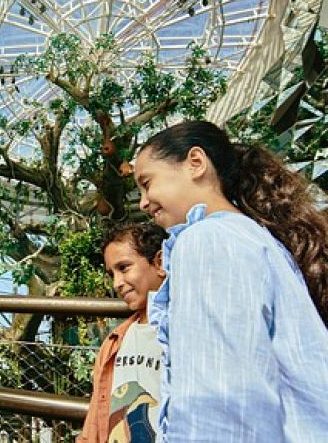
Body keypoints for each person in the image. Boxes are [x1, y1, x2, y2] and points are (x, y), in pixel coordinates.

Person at [133, 120, 328, 442]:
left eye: (147, 182)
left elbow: (223, 400)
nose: (143, 202)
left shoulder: (208, 240)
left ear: (196, 163)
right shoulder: (250, 236)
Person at [78, 223, 167, 443]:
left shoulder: (183, 331)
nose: (117, 283)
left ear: (160, 262)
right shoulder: (115, 341)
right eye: (112, 274)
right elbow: (94, 422)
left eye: (124, 267)